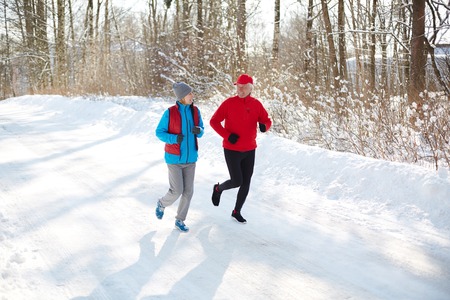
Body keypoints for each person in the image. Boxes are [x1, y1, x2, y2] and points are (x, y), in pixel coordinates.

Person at [210, 74, 272, 223]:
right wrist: (227, 135)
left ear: (251, 88)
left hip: (250, 149)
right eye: (238, 86)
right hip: (232, 149)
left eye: (244, 87)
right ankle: (218, 189)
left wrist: (265, 126)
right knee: (237, 180)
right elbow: (214, 121)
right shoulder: (229, 103)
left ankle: (236, 211)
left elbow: (266, 120)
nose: (240, 89)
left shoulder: (256, 104)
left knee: (246, 182)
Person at [155, 82, 204, 232]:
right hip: (174, 159)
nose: (192, 96)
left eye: (192, 93)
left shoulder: (195, 111)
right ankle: (162, 203)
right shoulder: (170, 113)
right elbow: (159, 132)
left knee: (188, 192)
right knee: (177, 190)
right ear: (182, 96)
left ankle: (180, 220)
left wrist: (199, 130)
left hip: (191, 159)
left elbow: (201, 130)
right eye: (189, 93)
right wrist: (174, 138)